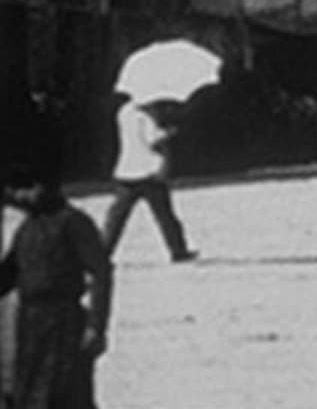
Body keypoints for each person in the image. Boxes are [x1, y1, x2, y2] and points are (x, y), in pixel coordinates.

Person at [2, 151, 114, 409]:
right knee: (30, 395)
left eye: (24, 191)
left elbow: (101, 272)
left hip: (65, 324)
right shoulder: (28, 227)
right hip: (30, 324)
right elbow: (9, 273)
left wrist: (97, 326)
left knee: (68, 394)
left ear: (41, 187)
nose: (18, 199)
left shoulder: (74, 222)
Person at [101, 96, 197, 262]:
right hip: (148, 172)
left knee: (116, 218)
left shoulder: (124, 111)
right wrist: (168, 134)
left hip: (126, 171)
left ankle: (103, 252)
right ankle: (178, 251)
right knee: (165, 216)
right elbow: (154, 141)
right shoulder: (146, 116)